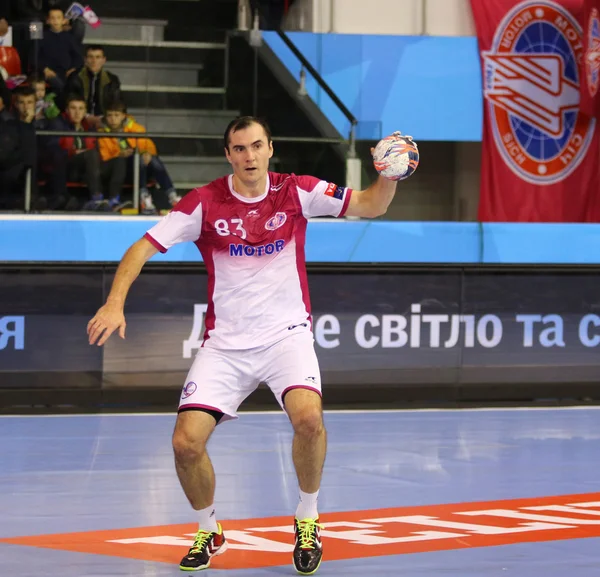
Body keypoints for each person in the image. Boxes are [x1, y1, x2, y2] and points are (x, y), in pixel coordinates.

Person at [86, 116, 408, 574]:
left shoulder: (297, 191)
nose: (249, 156)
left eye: (256, 146)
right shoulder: (204, 202)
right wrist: (115, 302)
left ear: (271, 148)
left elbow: (372, 205)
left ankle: (308, 517)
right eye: (239, 149)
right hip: (226, 346)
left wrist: (388, 176)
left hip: (286, 337)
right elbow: (141, 247)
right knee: (185, 444)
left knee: (309, 419)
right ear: (228, 155)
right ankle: (208, 528)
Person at [97, 99, 180, 214]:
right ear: (105, 117)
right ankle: (144, 198)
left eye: (117, 115)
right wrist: (119, 154)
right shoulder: (101, 133)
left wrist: (147, 152)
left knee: (152, 159)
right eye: (110, 115)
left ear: (123, 116)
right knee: (138, 159)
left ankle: (172, 196)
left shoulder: (136, 128)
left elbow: (148, 145)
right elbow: (104, 157)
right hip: (121, 171)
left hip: (142, 165)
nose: (113, 119)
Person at [65, 44, 120, 129]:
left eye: (98, 57)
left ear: (103, 60)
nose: (94, 61)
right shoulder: (75, 77)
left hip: (105, 120)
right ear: (85, 60)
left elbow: (116, 104)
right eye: (90, 57)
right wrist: (86, 117)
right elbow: (70, 103)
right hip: (80, 119)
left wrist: (103, 118)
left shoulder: (112, 80)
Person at [36, 6, 82, 97]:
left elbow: (78, 57)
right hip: (49, 72)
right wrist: (45, 69)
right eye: (52, 18)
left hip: (66, 73)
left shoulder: (70, 38)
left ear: (64, 21)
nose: (55, 21)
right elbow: (34, 56)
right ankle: (64, 98)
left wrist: (73, 68)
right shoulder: (42, 37)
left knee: (74, 82)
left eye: (58, 18)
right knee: (56, 82)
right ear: (48, 21)